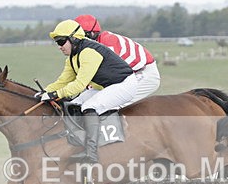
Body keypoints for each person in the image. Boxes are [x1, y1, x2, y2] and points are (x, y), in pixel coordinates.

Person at [40, 19, 159, 164]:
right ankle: (79, 143)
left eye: (61, 42)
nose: (59, 47)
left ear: (73, 39)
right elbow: (62, 82)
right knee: (74, 104)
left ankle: (92, 152)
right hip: (108, 85)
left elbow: (79, 84)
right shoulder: (72, 58)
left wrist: (55, 95)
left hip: (125, 84)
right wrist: (44, 92)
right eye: (57, 43)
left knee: (89, 107)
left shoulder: (89, 52)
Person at [74, 14, 161, 94]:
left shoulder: (107, 42)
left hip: (144, 74)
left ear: (92, 33)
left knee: (113, 101)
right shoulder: (95, 45)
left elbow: (112, 73)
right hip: (132, 74)